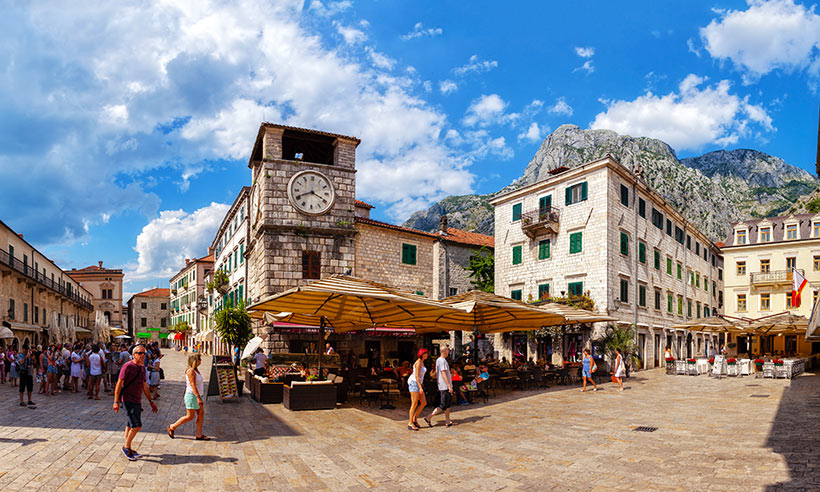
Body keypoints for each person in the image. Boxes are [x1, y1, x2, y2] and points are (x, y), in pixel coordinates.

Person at [113, 345, 157, 461]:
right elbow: (119, 384)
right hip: (128, 400)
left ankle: (129, 447)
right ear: (133, 355)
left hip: (137, 400)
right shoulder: (127, 366)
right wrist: (116, 401)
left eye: (144, 353)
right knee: (137, 425)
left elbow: (145, 386)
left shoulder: (142, 368)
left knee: (130, 424)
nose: (142, 355)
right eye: (139, 353)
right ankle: (126, 448)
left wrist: (151, 401)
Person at [167, 353, 210, 441]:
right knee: (189, 416)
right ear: (195, 361)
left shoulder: (196, 370)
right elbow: (193, 385)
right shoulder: (191, 371)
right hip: (192, 396)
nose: (201, 361)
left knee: (200, 415)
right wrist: (198, 398)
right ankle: (172, 427)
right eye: (199, 359)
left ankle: (199, 434)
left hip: (198, 395)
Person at [424, 346, 455, 427]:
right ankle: (429, 417)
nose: (448, 352)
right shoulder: (442, 361)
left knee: (447, 404)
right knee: (443, 405)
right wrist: (449, 385)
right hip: (445, 386)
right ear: (445, 351)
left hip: (443, 385)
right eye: (448, 350)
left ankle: (447, 421)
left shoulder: (439, 360)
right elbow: (443, 373)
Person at [407, 348, 428, 431]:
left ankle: (414, 418)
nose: (426, 355)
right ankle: (410, 422)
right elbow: (416, 376)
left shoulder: (422, 362)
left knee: (423, 402)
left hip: (418, 383)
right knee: (414, 403)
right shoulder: (418, 362)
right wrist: (420, 387)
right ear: (421, 354)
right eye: (425, 354)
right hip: (415, 383)